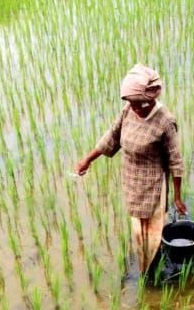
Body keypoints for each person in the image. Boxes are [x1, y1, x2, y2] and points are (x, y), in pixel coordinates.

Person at [75, 64, 186, 276]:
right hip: (132, 183)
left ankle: (152, 268)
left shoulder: (165, 121)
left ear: (150, 99)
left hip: (153, 186)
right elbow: (111, 137)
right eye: (131, 103)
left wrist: (178, 198)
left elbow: (176, 162)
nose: (133, 108)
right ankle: (146, 263)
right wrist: (87, 160)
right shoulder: (128, 111)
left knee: (153, 232)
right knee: (138, 231)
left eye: (138, 104)